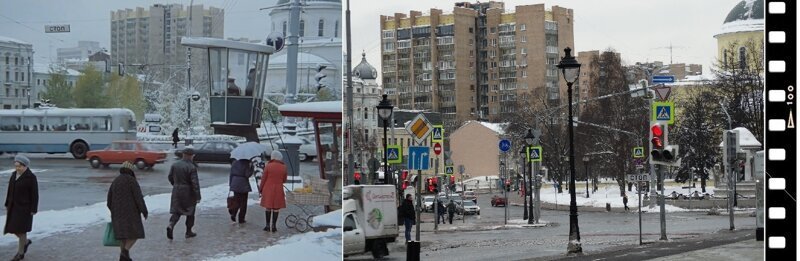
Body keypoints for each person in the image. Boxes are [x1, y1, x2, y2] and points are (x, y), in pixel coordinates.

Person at [107, 161, 148, 261]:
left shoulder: (115, 181)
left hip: (117, 214)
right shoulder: (131, 181)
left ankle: (124, 257)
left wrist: (113, 210)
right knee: (136, 234)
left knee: (122, 236)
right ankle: (125, 252)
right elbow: (138, 198)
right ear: (131, 170)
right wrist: (144, 211)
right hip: (131, 213)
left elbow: (109, 199)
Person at [4, 155, 38, 261]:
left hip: (25, 208)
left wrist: (33, 209)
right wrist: (7, 203)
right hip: (13, 206)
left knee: (21, 230)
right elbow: (10, 190)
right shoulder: (14, 175)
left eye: (19, 166)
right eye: (16, 166)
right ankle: (26, 242)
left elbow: (35, 194)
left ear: (25, 166)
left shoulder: (31, 177)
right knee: (12, 228)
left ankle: (20, 253)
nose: (17, 168)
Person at [167, 148, 201, 240]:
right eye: (193, 155)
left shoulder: (175, 165)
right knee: (190, 211)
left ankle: (171, 225)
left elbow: (170, 177)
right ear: (190, 156)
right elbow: (195, 183)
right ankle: (188, 231)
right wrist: (197, 196)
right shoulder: (191, 167)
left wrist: (175, 184)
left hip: (177, 190)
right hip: (188, 192)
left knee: (177, 211)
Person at [259, 150, 287, 232]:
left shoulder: (268, 166)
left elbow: (263, 179)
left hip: (268, 189)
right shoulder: (284, 167)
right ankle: (274, 226)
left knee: (268, 207)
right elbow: (284, 180)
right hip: (278, 188)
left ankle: (267, 226)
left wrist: (260, 189)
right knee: (276, 208)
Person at [229, 159, 253, 224]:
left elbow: (231, 174)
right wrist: (251, 168)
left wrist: (230, 184)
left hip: (235, 183)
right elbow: (247, 174)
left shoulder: (234, 162)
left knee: (237, 201)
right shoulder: (246, 163)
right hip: (243, 184)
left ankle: (233, 214)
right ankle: (241, 219)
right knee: (243, 203)